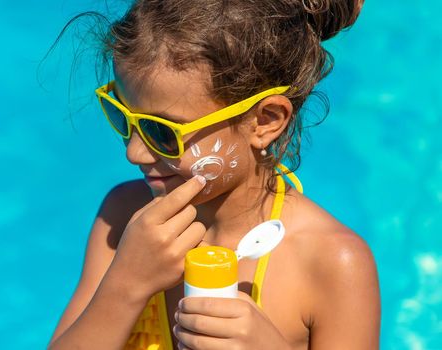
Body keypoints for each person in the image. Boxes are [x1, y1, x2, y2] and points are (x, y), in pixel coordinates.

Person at [48, 0, 380, 349]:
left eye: (162, 132)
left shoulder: (333, 264)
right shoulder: (124, 217)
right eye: (120, 116)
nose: (134, 152)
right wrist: (125, 286)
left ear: (265, 122)